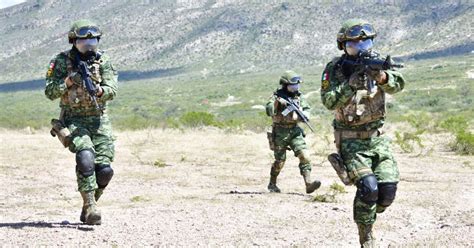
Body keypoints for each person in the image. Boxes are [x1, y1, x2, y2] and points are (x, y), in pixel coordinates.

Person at [320, 19, 405, 247]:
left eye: (366, 42)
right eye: (355, 44)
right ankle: (366, 237)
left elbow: (398, 84)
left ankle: (369, 213)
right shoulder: (335, 69)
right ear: (343, 45)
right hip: (349, 139)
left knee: (387, 191)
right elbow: (328, 101)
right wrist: (349, 84)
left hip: (377, 139)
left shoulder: (376, 63)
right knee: (368, 188)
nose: (361, 48)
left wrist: (382, 78)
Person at [45, 19, 118, 225]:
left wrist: (101, 90)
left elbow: (113, 89)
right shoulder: (60, 61)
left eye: (93, 41)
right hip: (74, 119)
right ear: (73, 41)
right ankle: (92, 207)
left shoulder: (104, 61)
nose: (89, 45)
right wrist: (69, 81)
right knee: (85, 158)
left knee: (104, 171)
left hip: (99, 120)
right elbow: (50, 92)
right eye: (84, 42)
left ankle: (88, 206)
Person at [265, 70, 321, 194]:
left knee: (304, 156)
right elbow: (269, 111)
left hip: (294, 130)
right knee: (280, 161)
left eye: (297, 85)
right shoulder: (276, 96)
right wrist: (278, 103)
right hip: (280, 131)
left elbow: (307, 109)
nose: (295, 88)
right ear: (285, 85)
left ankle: (308, 183)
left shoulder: (299, 97)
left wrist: (303, 114)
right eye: (292, 85)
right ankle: (272, 183)